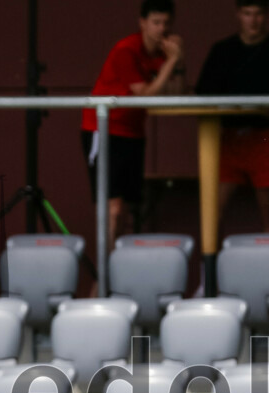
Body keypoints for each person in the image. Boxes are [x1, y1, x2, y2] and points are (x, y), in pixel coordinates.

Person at [81, 0, 186, 246]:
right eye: (156, 22)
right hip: (104, 129)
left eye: (167, 23)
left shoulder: (163, 55)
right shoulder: (126, 49)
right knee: (113, 207)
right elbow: (144, 95)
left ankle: (113, 273)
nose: (162, 29)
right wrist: (171, 62)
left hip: (134, 133)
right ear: (143, 23)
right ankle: (102, 280)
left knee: (127, 209)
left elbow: (176, 94)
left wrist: (178, 62)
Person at [196, 1, 269, 232]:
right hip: (227, 139)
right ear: (238, 14)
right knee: (212, 210)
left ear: (266, 15)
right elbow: (203, 94)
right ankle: (209, 267)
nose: (253, 20)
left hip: (264, 139)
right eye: (248, 13)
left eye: (258, 14)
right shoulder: (223, 50)